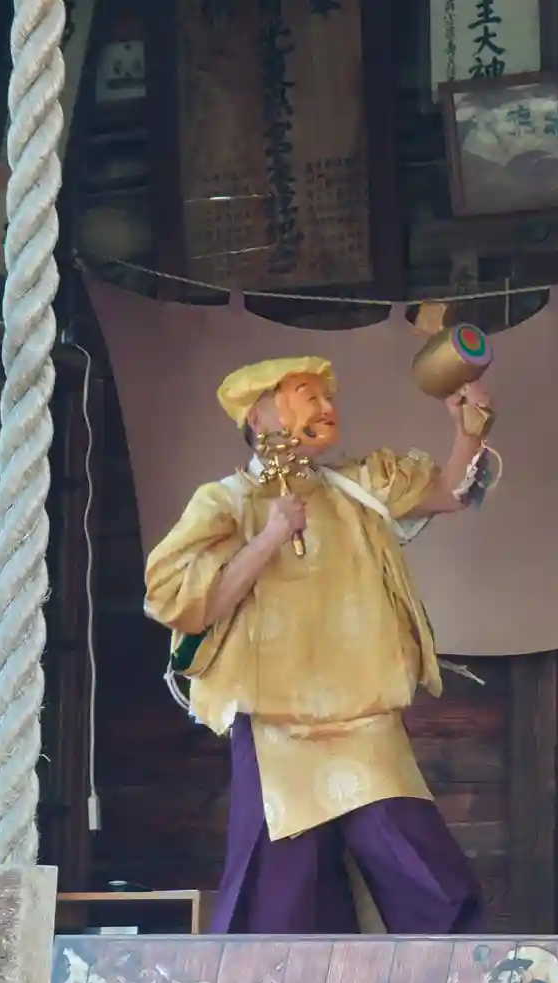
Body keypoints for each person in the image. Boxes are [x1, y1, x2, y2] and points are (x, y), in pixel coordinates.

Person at [143, 355, 496, 936]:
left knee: (428, 877)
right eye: (308, 396)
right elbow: (180, 603)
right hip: (276, 727)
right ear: (259, 417)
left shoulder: (355, 488)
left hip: (364, 719)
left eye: (328, 398)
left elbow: (450, 492)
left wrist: (469, 429)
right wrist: (270, 537)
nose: (327, 408)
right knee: (281, 903)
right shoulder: (226, 502)